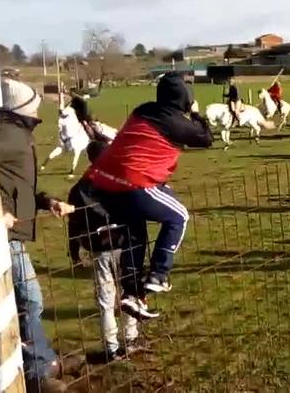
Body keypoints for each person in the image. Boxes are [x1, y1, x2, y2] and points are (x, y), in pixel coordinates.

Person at [0, 79, 83, 391]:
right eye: (34, 102)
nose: (38, 107)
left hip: (8, 233)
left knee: (18, 302)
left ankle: (42, 360)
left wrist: (46, 201)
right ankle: (36, 372)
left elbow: (16, 184)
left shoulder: (17, 133)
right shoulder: (6, 134)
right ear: (22, 107)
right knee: (28, 301)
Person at [87, 72, 213, 320]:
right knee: (179, 216)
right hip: (135, 183)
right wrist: (196, 113)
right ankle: (159, 274)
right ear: (185, 98)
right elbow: (206, 138)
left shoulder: (142, 110)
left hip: (104, 183)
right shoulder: (177, 123)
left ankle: (132, 295)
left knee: (135, 235)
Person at [68, 142, 140, 361]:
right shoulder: (119, 179)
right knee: (130, 294)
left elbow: (73, 223)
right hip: (125, 245)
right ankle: (131, 338)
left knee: (105, 302)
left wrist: (74, 252)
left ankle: (111, 346)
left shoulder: (79, 189)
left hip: (99, 250)